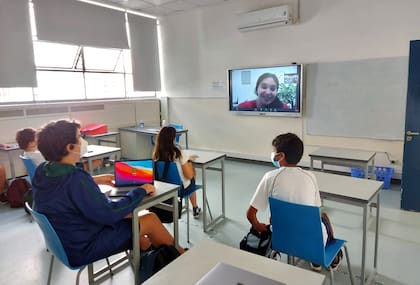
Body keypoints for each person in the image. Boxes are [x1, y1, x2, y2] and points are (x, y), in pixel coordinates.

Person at [31, 119, 184, 267]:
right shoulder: (76, 179)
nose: (83, 142)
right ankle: (182, 259)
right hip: (84, 247)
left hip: (65, 241)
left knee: (134, 222)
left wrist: (95, 180)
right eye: (79, 138)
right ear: (69, 147)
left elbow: (65, 189)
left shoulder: (42, 170)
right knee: (149, 219)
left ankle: (150, 254)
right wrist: (141, 190)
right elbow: (110, 213)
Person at [246, 132, 342, 272]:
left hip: (280, 240)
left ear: (281, 156)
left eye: (274, 153)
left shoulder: (270, 177)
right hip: (312, 242)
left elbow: (250, 215)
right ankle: (321, 258)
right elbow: (314, 211)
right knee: (323, 216)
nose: (272, 155)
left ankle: (314, 258)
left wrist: (259, 226)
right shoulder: (310, 177)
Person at [152, 126, 202, 218]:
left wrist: (186, 158)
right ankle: (195, 207)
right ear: (173, 138)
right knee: (192, 178)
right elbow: (189, 176)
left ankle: (192, 207)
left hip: (164, 188)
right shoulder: (179, 153)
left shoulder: (156, 154)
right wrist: (188, 161)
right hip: (179, 189)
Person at [16, 127, 103, 177]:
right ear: (31, 142)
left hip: (47, 175)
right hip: (58, 173)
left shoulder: (26, 154)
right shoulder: (37, 155)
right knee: (93, 162)